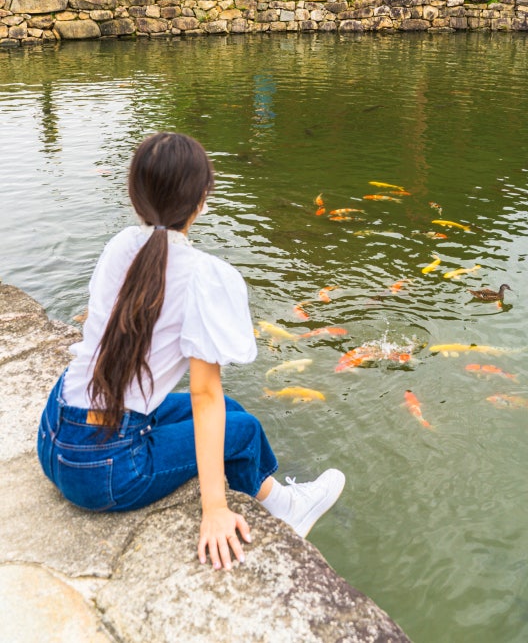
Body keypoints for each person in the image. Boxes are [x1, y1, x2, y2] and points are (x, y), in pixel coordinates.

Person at [37, 132, 345, 570]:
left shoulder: (118, 247)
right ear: (202, 200)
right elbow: (203, 394)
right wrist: (213, 508)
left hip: (54, 433)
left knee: (234, 409)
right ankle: (285, 507)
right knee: (244, 429)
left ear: (134, 194)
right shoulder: (205, 275)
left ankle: (265, 494)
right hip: (102, 469)